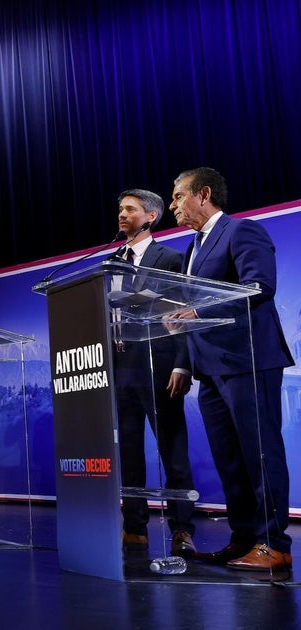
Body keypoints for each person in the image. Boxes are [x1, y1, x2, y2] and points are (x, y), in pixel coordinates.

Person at [167, 167, 294, 573]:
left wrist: (198, 310)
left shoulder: (241, 232)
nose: (172, 206)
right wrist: (184, 362)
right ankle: (243, 539)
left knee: (260, 454)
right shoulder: (192, 249)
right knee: (230, 461)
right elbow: (189, 314)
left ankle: (274, 542)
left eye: (177, 197)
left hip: (248, 362)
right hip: (209, 369)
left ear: (203, 194)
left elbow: (259, 286)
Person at [108, 189, 197, 556]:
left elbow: (183, 314)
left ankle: (182, 530)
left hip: (160, 367)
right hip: (122, 368)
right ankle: (135, 529)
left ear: (151, 216)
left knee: (172, 452)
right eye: (120, 209)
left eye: (130, 209)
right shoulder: (113, 262)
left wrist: (182, 363)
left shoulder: (172, 259)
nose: (122, 214)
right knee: (128, 453)